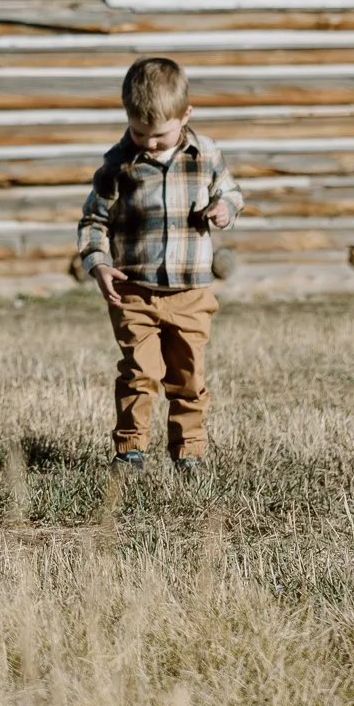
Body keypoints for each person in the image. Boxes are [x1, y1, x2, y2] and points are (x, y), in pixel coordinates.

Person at [78, 56, 245, 473]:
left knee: (188, 376)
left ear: (185, 115)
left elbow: (233, 192)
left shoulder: (205, 155)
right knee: (139, 372)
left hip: (191, 292)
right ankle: (130, 449)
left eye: (159, 135)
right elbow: (93, 221)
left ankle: (189, 451)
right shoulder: (117, 164)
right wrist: (98, 263)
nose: (148, 143)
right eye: (139, 133)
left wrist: (225, 208)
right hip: (134, 291)